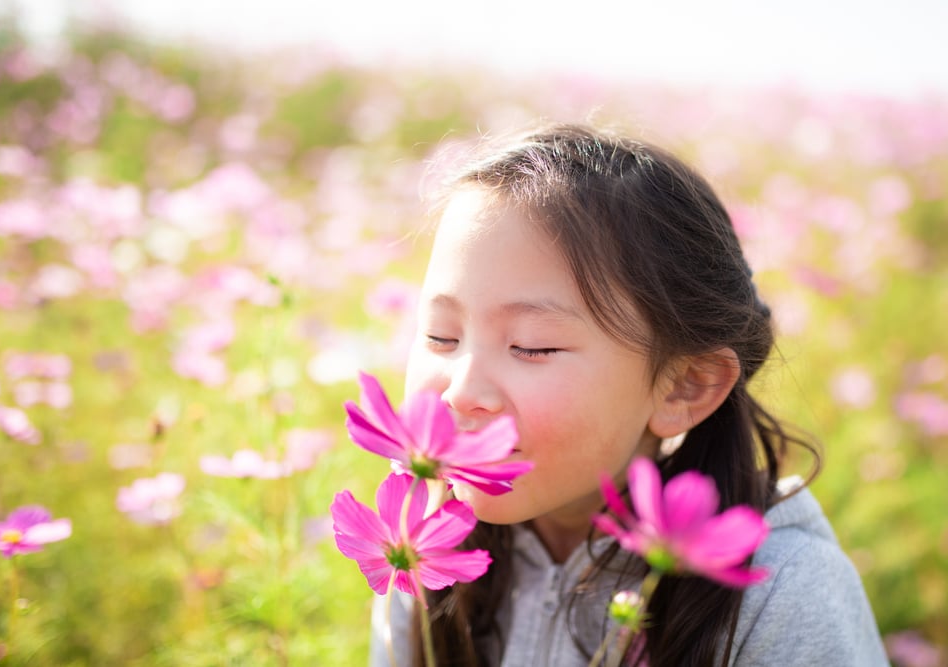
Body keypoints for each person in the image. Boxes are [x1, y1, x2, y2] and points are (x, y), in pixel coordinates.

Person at [369, 123, 887, 666]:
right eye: (440, 337)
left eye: (531, 346)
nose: (461, 391)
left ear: (685, 386)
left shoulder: (782, 593)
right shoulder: (417, 546)